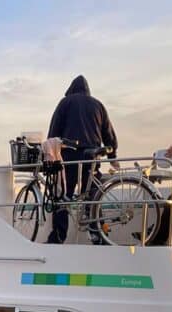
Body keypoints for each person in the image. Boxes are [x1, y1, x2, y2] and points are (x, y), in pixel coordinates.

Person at [46, 75, 118, 243]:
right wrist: (113, 156)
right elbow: (109, 133)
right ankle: (98, 235)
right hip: (91, 157)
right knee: (93, 196)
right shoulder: (98, 105)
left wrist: (49, 153)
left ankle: (58, 237)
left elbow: (54, 132)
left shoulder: (66, 103)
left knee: (62, 197)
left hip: (70, 158)